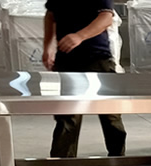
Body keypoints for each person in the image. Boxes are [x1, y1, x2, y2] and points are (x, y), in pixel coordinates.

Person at [43, 0, 126, 157]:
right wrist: (48, 46)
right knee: (67, 117)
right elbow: (50, 15)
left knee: (110, 115)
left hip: (97, 58)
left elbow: (106, 17)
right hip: (66, 60)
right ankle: (62, 165)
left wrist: (80, 36)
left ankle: (118, 160)